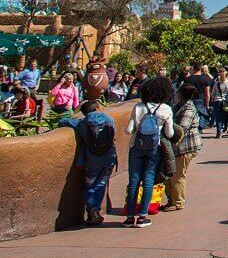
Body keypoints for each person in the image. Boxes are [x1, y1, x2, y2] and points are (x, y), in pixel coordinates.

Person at [123, 76, 174, 228]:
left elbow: (128, 130)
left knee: (133, 180)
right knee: (148, 179)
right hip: (154, 148)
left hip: (136, 147)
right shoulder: (165, 109)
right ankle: (142, 216)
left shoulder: (139, 107)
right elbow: (170, 133)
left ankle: (130, 216)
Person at [72, 100, 117, 225]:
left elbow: (66, 122)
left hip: (91, 159)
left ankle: (92, 209)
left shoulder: (82, 123)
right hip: (109, 157)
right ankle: (94, 211)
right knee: (101, 184)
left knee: (89, 185)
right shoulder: (109, 120)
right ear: (97, 108)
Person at [163, 83, 203, 212]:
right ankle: (171, 201)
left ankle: (178, 202)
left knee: (178, 175)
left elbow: (182, 128)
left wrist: (168, 123)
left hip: (186, 147)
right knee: (168, 176)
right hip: (176, 147)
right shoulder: (178, 106)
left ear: (180, 94)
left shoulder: (189, 109)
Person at [183, 62, 213, 132]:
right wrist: (207, 104)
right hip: (200, 99)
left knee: (190, 115)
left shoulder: (189, 79)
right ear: (201, 68)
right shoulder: (205, 78)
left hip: (190, 99)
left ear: (193, 68)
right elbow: (207, 93)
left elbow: (185, 90)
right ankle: (199, 128)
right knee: (202, 114)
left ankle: (191, 128)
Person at [211, 68, 228, 139]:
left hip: (217, 101)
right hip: (226, 102)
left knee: (218, 118)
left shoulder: (217, 83)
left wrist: (214, 97)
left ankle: (219, 133)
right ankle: (221, 130)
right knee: (223, 117)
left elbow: (212, 94)